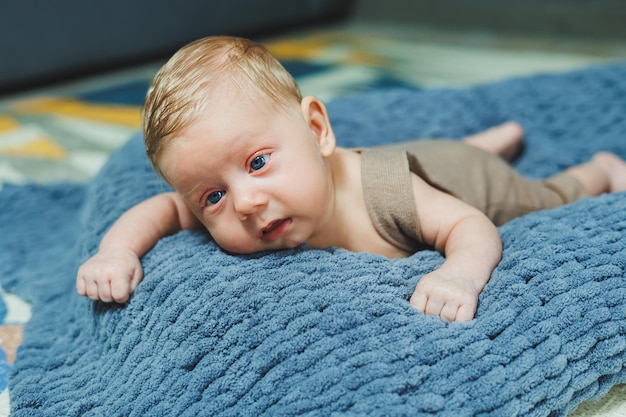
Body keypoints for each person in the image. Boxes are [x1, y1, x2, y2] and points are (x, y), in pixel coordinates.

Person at [76, 35, 626, 322]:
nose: (244, 202)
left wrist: (460, 275)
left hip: (470, 182)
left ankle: (593, 168)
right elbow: (166, 209)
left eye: (258, 162)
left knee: (544, 198)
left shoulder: (387, 194)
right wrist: (116, 251)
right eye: (213, 196)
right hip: (418, 159)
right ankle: (482, 141)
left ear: (317, 129)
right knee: (431, 155)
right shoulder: (224, 201)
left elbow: (470, 223)